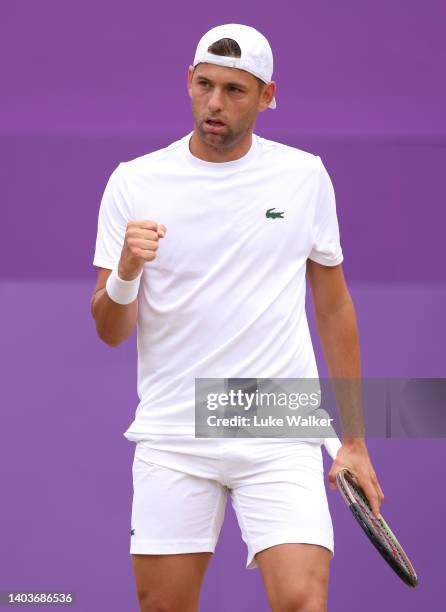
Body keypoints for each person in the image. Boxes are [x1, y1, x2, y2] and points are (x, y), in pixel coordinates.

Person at [91, 23, 384, 612]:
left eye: (234, 90)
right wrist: (125, 269)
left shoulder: (303, 177)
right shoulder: (134, 181)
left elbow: (333, 306)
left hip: (278, 425)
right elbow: (110, 330)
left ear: (268, 95)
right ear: (188, 82)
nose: (215, 104)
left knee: (304, 600)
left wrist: (354, 438)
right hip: (174, 431)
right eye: (204, 85)